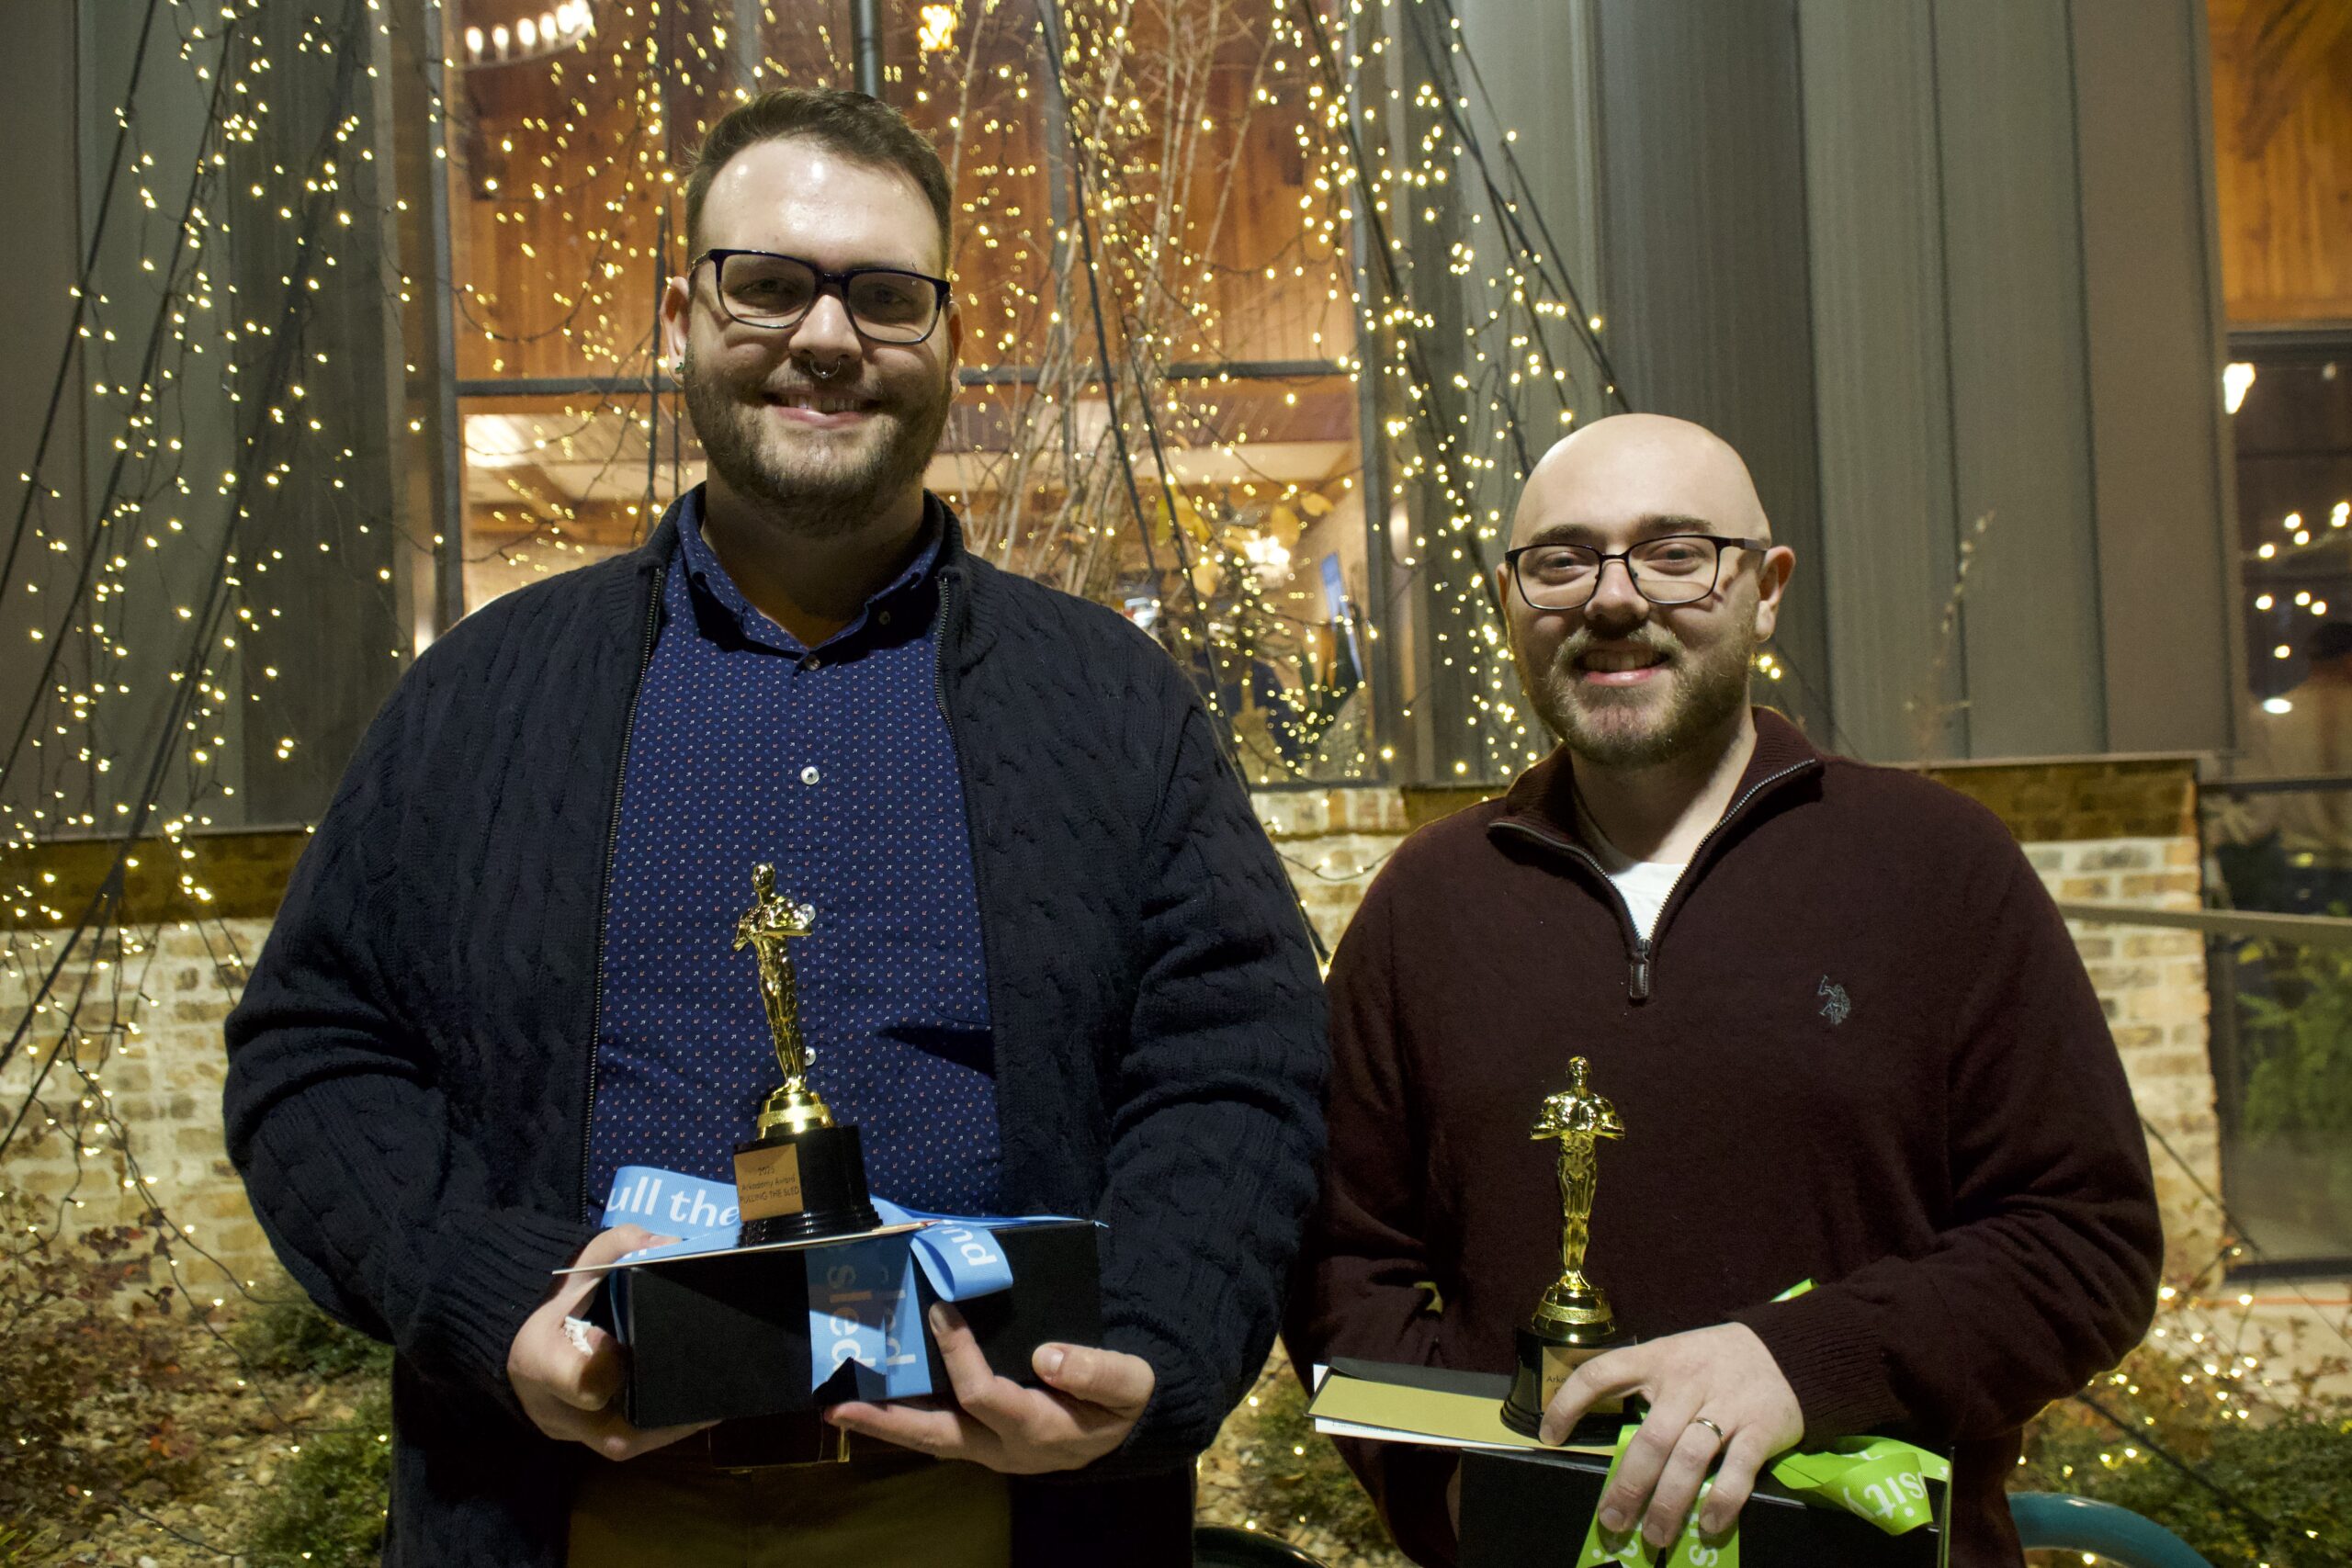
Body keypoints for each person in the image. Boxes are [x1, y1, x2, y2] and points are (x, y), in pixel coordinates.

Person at [223, 87, 1326, 1568]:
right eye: (769, 283)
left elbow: (1238, 1062)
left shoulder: (1111, 703)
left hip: (1001, 1512)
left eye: (884, 295)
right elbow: (312, 1050)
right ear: (681, 309)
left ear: (946, 334)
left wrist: (1144, 1340)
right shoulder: (485, 694)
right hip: (576, 1511)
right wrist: (490, 1300)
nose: (824, 338)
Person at [1287, 413, 2162, 1567]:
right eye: (1562, 558)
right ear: (1509, 597)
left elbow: (2082, 1243)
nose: (1611, 599)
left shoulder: (1936, 869)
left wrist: (1801, 1363)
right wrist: (1443, 1491)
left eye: (1674, 551)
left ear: (1764, 587)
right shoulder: (1427, 904)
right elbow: (1341, 1258)